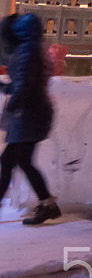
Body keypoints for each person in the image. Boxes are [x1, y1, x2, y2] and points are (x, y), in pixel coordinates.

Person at [1, 13, 59, 225]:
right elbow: (25, 83)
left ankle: (48, 204)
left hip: (29, 114)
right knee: (17, 161)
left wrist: (14, 103)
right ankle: (48, 204)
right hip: (33, 112)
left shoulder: (28, 51)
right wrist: (6, 88)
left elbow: (25, 85)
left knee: (14, 161)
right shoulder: (35, 50)